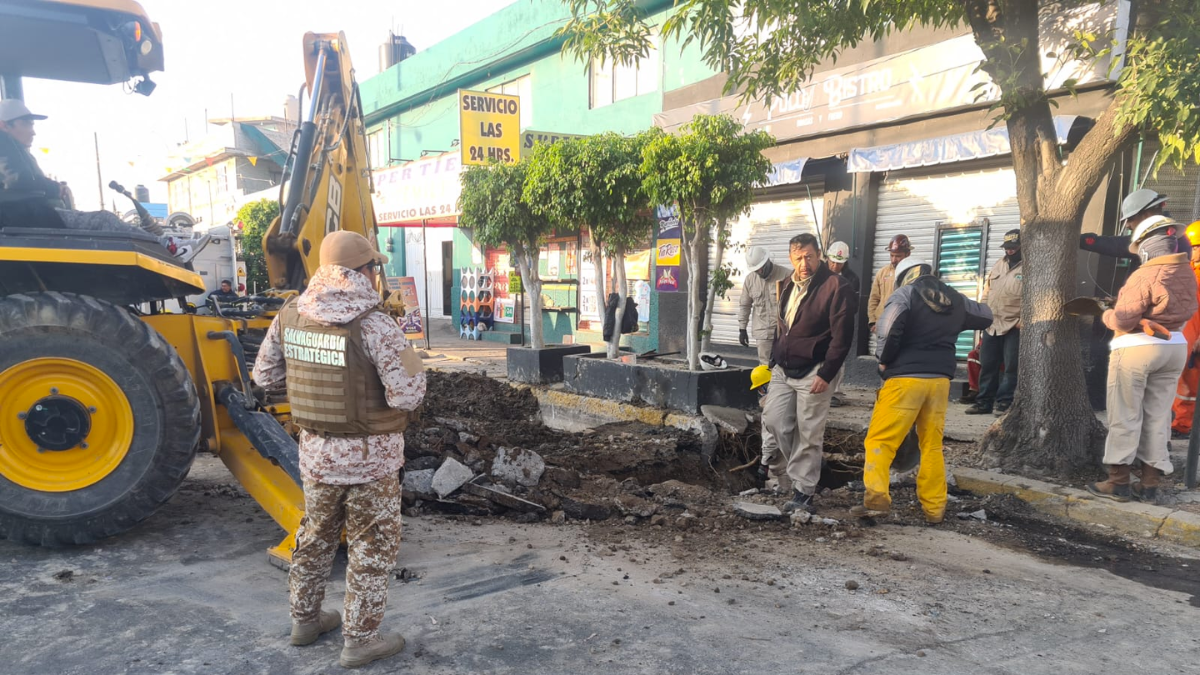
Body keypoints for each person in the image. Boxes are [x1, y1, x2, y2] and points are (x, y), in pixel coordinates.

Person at [252, 230, 427, 669]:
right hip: (372, 461)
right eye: (374, 267)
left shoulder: (290, 315)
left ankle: (305, 621)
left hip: (315, 456)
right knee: (371, 547)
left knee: (314, 538)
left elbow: (264, 379)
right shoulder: (374, 323)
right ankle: (360, 639)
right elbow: (407, 395)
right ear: (364, 271)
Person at [853, 257, 993, 522]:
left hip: (904, 380)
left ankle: (876, 498)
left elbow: (888, 330)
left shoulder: (903, 295)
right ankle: (934, 508)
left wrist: (883, 361)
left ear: (905, 275)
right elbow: (985, 316)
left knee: (880, 441)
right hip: (940, 382)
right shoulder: (952, 298)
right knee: (931, 445)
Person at [0, 99, 208, 261]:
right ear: (5, 125)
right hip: (30, 219)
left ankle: (165, 244)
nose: (33, 131)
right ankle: (168, 247)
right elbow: (18, 180)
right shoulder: (4, 142)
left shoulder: (14, 147)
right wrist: (55, 188)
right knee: (104, 221)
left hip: (33, 217)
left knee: (104, 225)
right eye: (26, 123)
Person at [1086, 215, 1197, 505]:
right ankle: (1149, 484)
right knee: (1158, 418)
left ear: (1148, 244)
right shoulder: (1186, 272)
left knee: (1125, 416)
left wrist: (1106, 313)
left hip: (1137, 349)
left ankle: (1118, 482)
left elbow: (1122, 320)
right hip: (1174, 346)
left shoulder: (1144, 274)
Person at [761, 233, 857, 514]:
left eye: (809, 257)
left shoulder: (836, 286)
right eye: (798, 257)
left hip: (815, 370)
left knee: (809, 432)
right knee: (775, 420)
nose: (804, 263)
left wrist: (826, 374)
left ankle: (803, 490)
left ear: (819, 256)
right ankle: (807, 469)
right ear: (791, 257)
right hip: (783, 368)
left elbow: (842, 338)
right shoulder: (788, 283)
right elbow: (782, 327)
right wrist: (772, 362)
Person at [738, 246, 792, 491]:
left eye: (762, 268)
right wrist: (741, 327)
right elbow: (744, 305)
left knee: (782, 371)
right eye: (756, 270)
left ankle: (780, 397)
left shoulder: (785, 274)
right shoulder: (751, 280)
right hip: (762, 332)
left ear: (769, 262)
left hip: (784, 332)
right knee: (764, 371)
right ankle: (769, 396)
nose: (760, 272)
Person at [967, 229, 1023, 415]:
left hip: (1014, 325)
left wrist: (1023, 320)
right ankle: (983, 402)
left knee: (1011, 367)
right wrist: (982, 314)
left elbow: (1034, 297)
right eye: (1007, 248)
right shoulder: (999, 264)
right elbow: (987, 291)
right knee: (988, 365)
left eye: (1014, 247)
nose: (1010, 251)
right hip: (992, 324)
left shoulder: (1031, 267)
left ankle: (1004, 403)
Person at [1171, 221, 1200, 437]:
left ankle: (1185, 425)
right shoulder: (1187, 269)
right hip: (1183, 333)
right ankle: (1180, 423)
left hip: (1195, 336)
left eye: (1196, 246)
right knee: (1180, 380)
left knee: (1190, 381)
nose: (1193, 250)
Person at [825, 240, 858, 407]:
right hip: (821, 323)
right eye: (832, 261)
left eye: (838, 263)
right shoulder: (819, 274)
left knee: (837, 357)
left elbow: (854, 306)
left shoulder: (851, 279)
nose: (834, 266)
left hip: (840, 324)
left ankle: (835, 393)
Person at [867, 234, 912, 331]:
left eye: (898, 256)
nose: (893, 260)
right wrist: (873, 322)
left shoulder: (914, 274)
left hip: (904, 328)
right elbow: (874, 298)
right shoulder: (883, 273)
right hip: (882, 326)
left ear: (908, 254)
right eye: (892, 255)